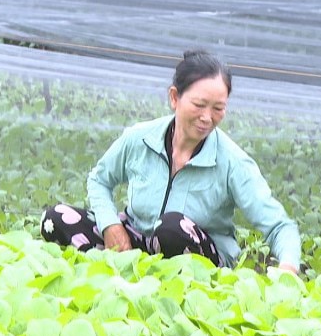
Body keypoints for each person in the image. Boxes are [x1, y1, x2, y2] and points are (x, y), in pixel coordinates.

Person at [41, 50, 301, 274]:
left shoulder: (232, 161)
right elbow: (99, 180)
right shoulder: (139, 138)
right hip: (136, 244)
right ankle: (118, 276)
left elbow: (279, 225)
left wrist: (288, 268)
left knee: (172, 228)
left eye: (218, 108)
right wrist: (110, 224)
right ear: (175, 97)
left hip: (198, 262)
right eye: (199, 104)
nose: (207, 118)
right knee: (56, 219)